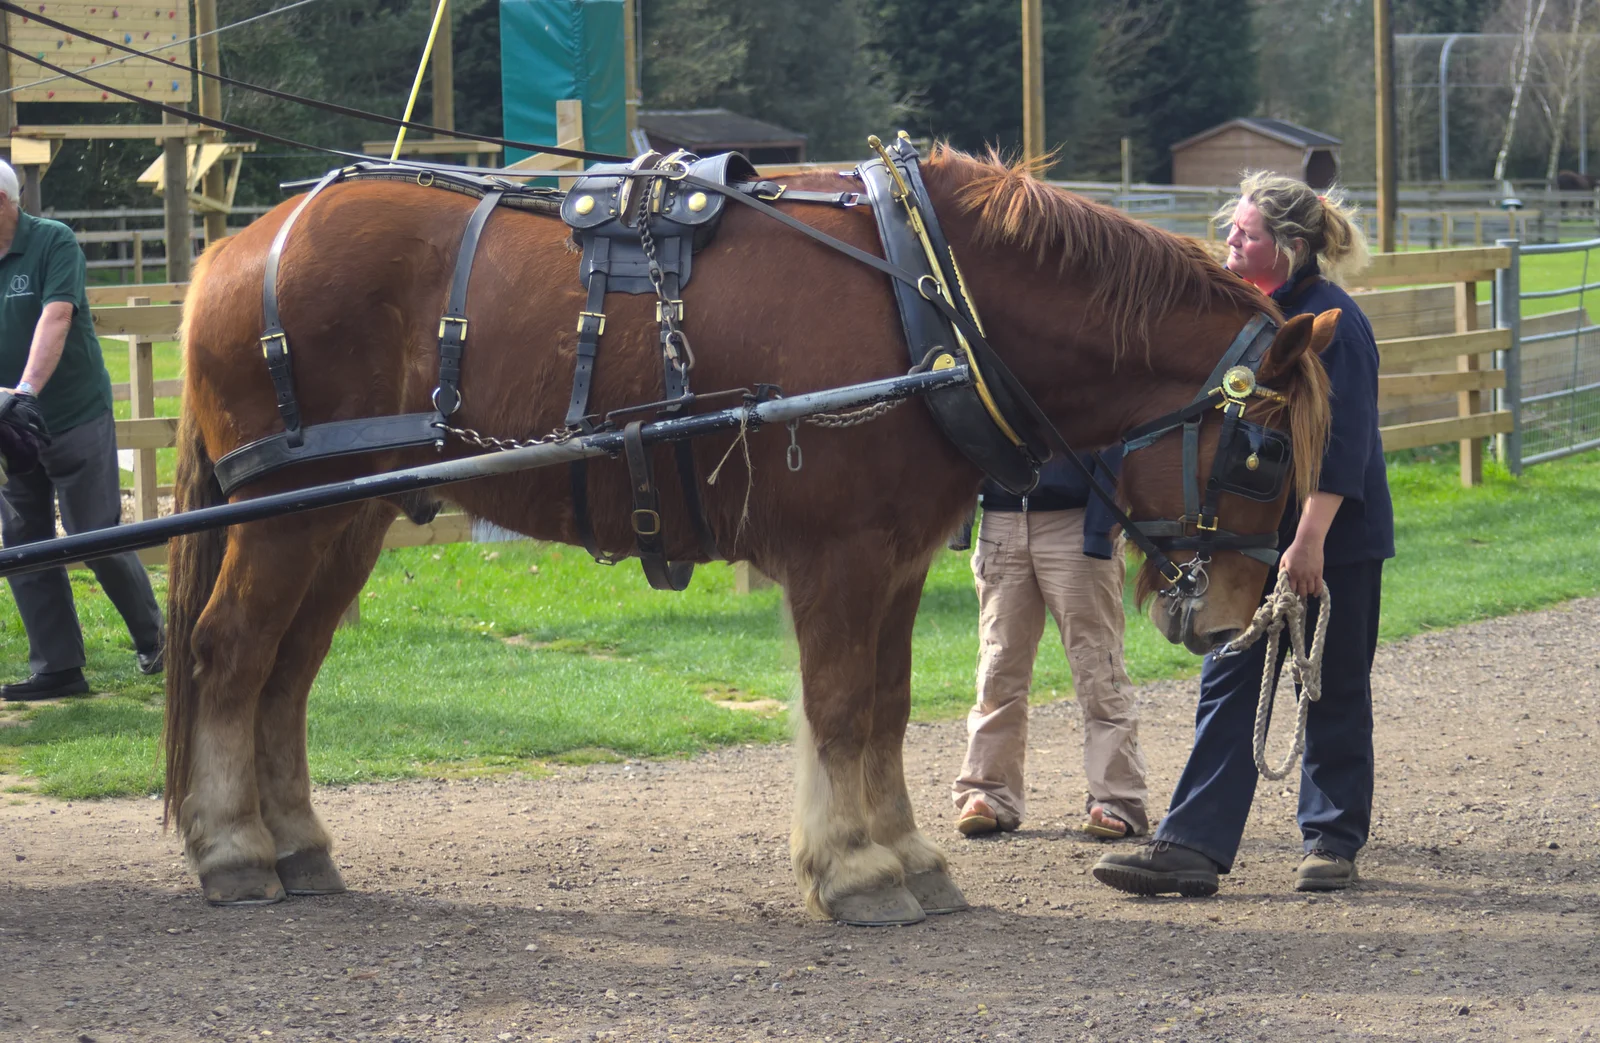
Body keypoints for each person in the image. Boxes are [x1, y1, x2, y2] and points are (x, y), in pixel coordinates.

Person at [1093, 171, 1393, 896]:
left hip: (1330, 536)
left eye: (1246, 233)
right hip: (1248, 540)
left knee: (1330, 682)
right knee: (1228, 677)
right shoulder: (1243, 317)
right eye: (1232, 228)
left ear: (1288, 247)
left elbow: (1342, 443)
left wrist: (1310, 539)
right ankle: (1192, 845)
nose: (1230, 239)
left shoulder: (1333, 324)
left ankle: (1331, 838)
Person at [0, 158, 164, 700]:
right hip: (8, 429)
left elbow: (58, 316)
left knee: (96, 534)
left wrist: (26, 391)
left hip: (71, 414)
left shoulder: (53, 241)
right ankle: (59, 669)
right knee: (24, 542)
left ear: (3, 202)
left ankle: (157, 638)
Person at [953, 447, 1150, 840]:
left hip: (1076, 522)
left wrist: (1099, 526)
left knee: (1099, 672)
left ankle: (1116, 800)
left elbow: (1116, 435)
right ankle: (989, 793)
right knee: (997, 668)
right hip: (1001, 519)